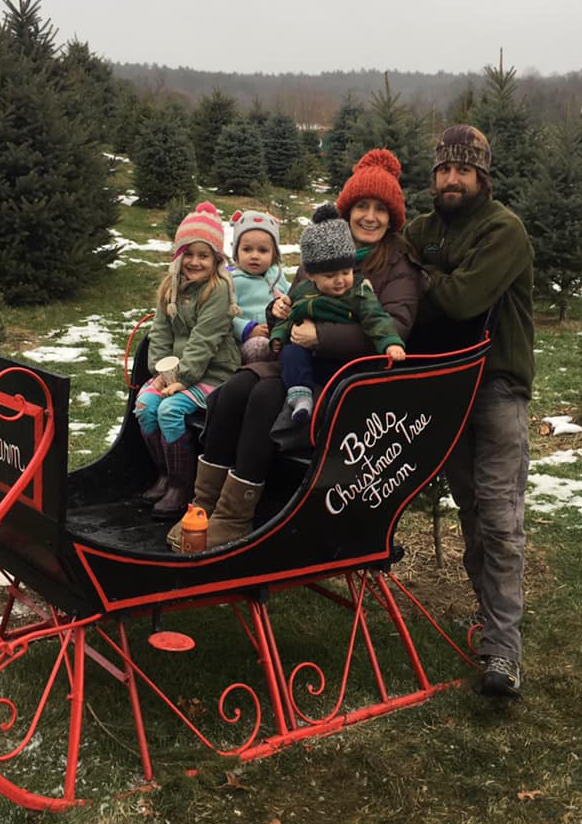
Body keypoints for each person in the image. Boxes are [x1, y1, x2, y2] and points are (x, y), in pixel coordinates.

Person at [167, 147, 422, 551]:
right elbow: (294, 298)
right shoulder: (323, 246)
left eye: (380, 208)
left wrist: (321, 336)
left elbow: (394, 328)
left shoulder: (398, 267)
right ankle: (202, 505)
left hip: (349, 378)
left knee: (266, 396)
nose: (370, 216)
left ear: (392, 217)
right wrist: (277, 309)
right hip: (297, 359)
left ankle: (235, 518)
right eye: (361, 206)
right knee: (234, 391)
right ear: (348, 209)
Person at [404, 124, 534, 698]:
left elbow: (462, 299)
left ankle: (504, 652)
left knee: (501, 517)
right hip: (445, 388)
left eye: (463, 170)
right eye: (443, 170)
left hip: (497, 386)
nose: (451, 179)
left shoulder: (504, 230)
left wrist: (418, 280)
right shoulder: (423, 229)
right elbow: (385, 268)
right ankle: (491, 619)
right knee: (473, 511)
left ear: (483, 176)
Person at [135, 201, 241, 520]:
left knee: (170, 410)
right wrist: (159, 372)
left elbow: (203, 342)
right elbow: (160, 330)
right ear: (178, 255)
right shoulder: (171, 287)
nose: (195, 262)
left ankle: (183, 485)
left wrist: (182, 379)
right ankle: (165, 473)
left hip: (213, 374)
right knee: (145, 405)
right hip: (178, 373)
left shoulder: (218, 290)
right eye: (189, 254)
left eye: (203, 255)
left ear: (216, 259)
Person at [271, 202, 406, 423]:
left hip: (342, 359)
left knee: (345, 381)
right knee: (290, 353)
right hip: (308, 359)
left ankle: (336, 407)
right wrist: (278, 335)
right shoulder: (304, 291)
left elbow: (377, 318)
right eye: (331, 276)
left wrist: (391, 342)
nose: (340, 280)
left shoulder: (359, 292)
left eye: (346, 272)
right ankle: (300, 395)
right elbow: (291, 318)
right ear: (312, 276)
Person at [229, 209, 290, 363]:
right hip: (248, 342)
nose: (255, 256)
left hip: (278, 335)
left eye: (263, 250)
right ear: (236, 252)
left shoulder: (276, 275)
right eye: (247, 249)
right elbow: (224, 316)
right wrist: (248, 329)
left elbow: (292, 294)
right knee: (259, 347)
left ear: (274, 254)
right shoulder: (233, 281)